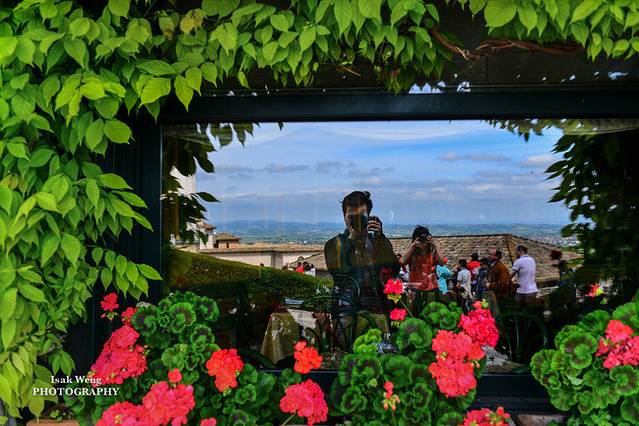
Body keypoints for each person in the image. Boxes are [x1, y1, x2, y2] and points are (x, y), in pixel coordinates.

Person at [324, 191, 399, 312]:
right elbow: (340, 274)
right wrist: (351, 240)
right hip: (346, 310)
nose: (356, 222)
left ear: (368, 217)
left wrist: (380, 238)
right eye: (351, 217)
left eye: (360, 217)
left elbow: (394, 269)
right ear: (344, 217)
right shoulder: (335, 244)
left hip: (377, 309)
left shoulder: (376, 242)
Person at [399, 226, 441, 291]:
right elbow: (401, 262)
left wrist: (435, 245)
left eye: (424, 239)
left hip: (431, 287)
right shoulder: (412, 253)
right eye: (420, 239)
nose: (422, 242)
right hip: (416, 287)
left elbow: (442, 262)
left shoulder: (432, 253)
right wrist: (412, 246)